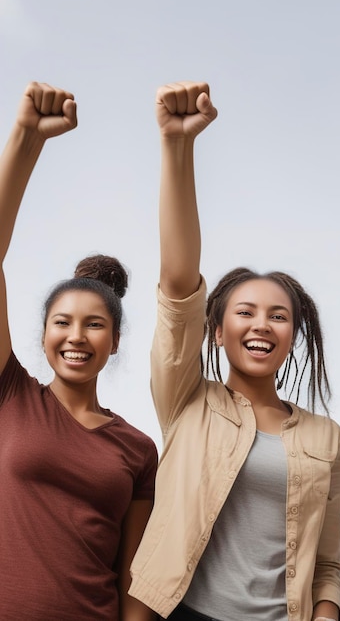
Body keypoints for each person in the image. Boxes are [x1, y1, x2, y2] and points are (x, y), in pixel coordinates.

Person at [129, 81, 340, 621]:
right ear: (217, 332)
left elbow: (327, 566)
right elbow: (178, 284)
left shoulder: (326, 438)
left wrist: (326, 616)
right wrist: (178, 148)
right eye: (244, 312)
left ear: (293, 335)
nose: (262, 325)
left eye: (279, 316)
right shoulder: (187, 398)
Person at [0, 82, 158, 620]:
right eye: (62, 322)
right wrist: (25, 140)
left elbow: (132, 575)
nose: (75, 336)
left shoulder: (136, 449)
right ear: (43, 333)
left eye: (94, 325)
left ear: (113, 342)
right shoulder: (11, 394)